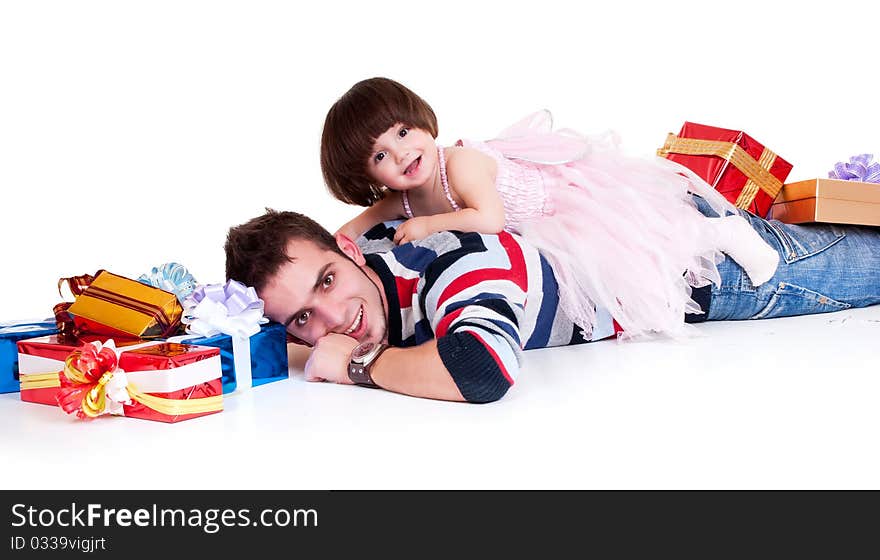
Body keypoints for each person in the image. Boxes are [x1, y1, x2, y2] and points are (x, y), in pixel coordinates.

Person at [224, 206, 880, 404]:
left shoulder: (454, 262)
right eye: (302, 318)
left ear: (349, 249)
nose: (332, 319)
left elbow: (482, 370)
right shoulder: (370, 256)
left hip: (718, 269)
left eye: (327, 282)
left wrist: (356, 364)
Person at [319, 77, 780, 340]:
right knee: (603, 277)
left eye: (402, 133)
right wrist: (332, 248)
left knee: (647, 244)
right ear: (369, 177)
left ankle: (723, 235)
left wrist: (427, 225)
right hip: (537, 237)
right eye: (380, 156)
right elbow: (362, 222)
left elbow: (489, 219)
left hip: (562, 206)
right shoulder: (400, 194)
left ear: (420, 121)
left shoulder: (459, 164)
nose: (400, 155)